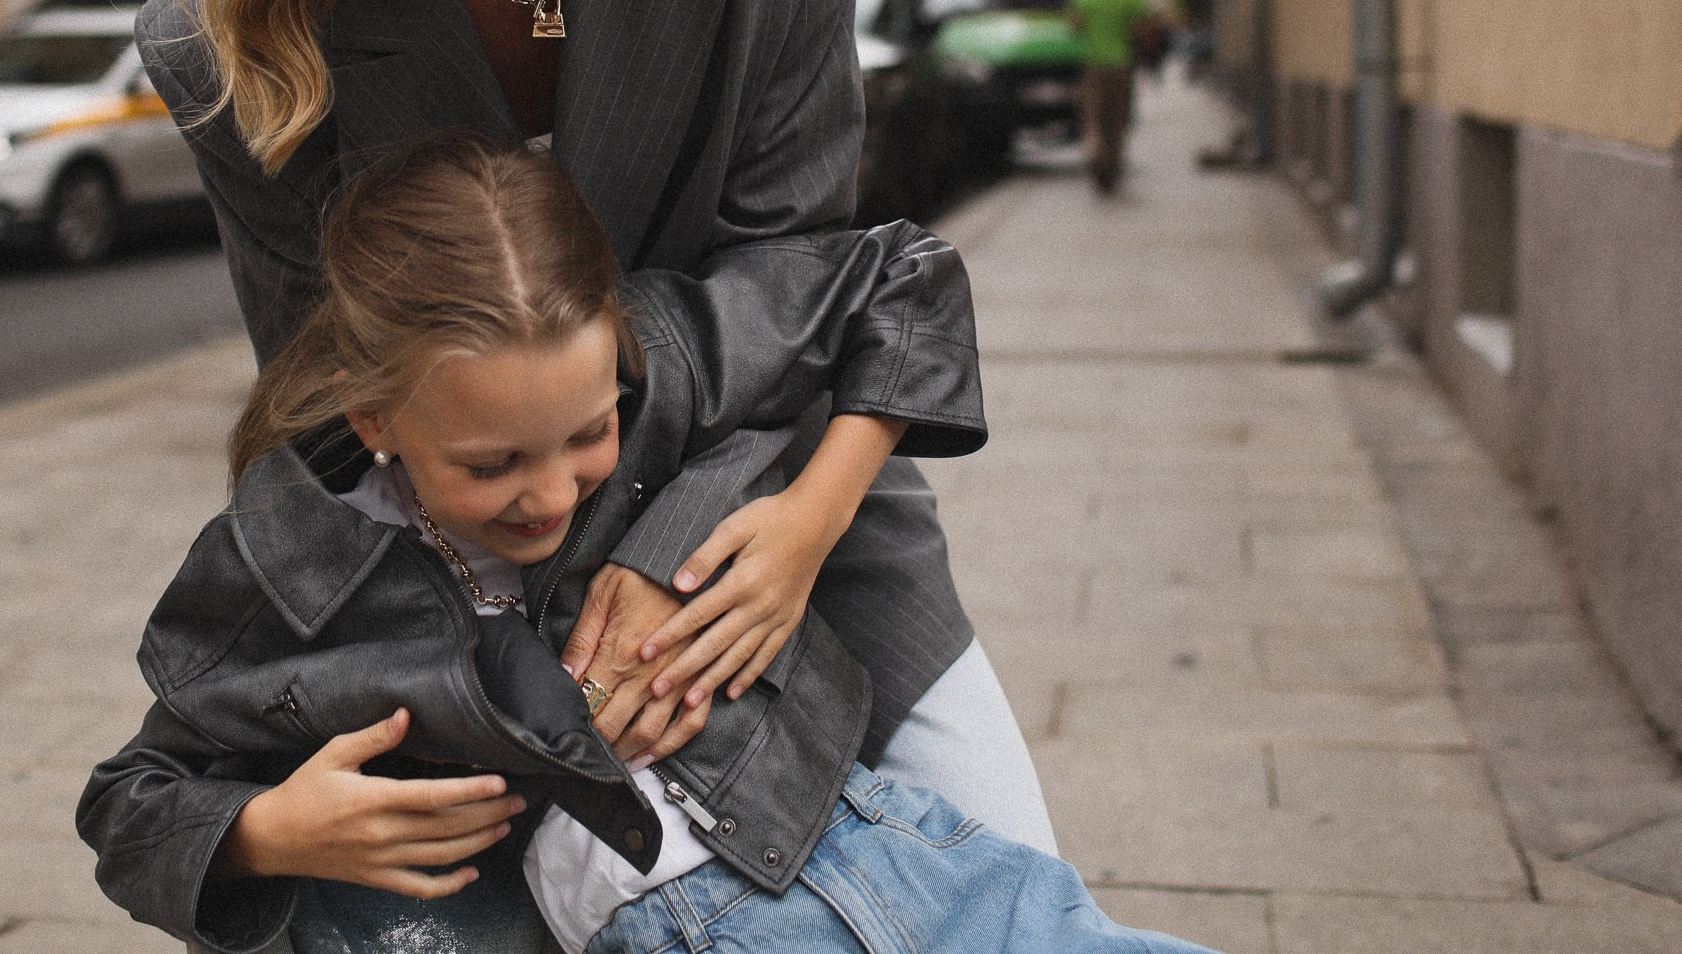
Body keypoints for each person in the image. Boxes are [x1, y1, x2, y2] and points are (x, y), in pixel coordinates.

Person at [130, 0, 1052, 946]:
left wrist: (799, 531)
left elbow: (811, 291)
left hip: (789, 510)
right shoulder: (234, 32)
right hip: (467, 611)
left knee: (1021, 894)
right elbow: (341, 428)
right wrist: (250, 821)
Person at [81, 137, 1211, 954]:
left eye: (587, 434)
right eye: (490, 463)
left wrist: (811, 516)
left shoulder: (665, 360)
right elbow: (129, 799)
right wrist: (265, 830)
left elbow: (901, 277)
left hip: (881, 848)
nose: (549, 493)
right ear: (375, 419)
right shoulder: (283, 569)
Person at [1066, 0, 1155, 195]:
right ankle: (1111, 169)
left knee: (1093, 117)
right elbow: (1142, 31)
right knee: (1117, 119)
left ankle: (1095, 155)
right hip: (1122, 65)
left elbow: (1075, 26)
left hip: (1093, 64)